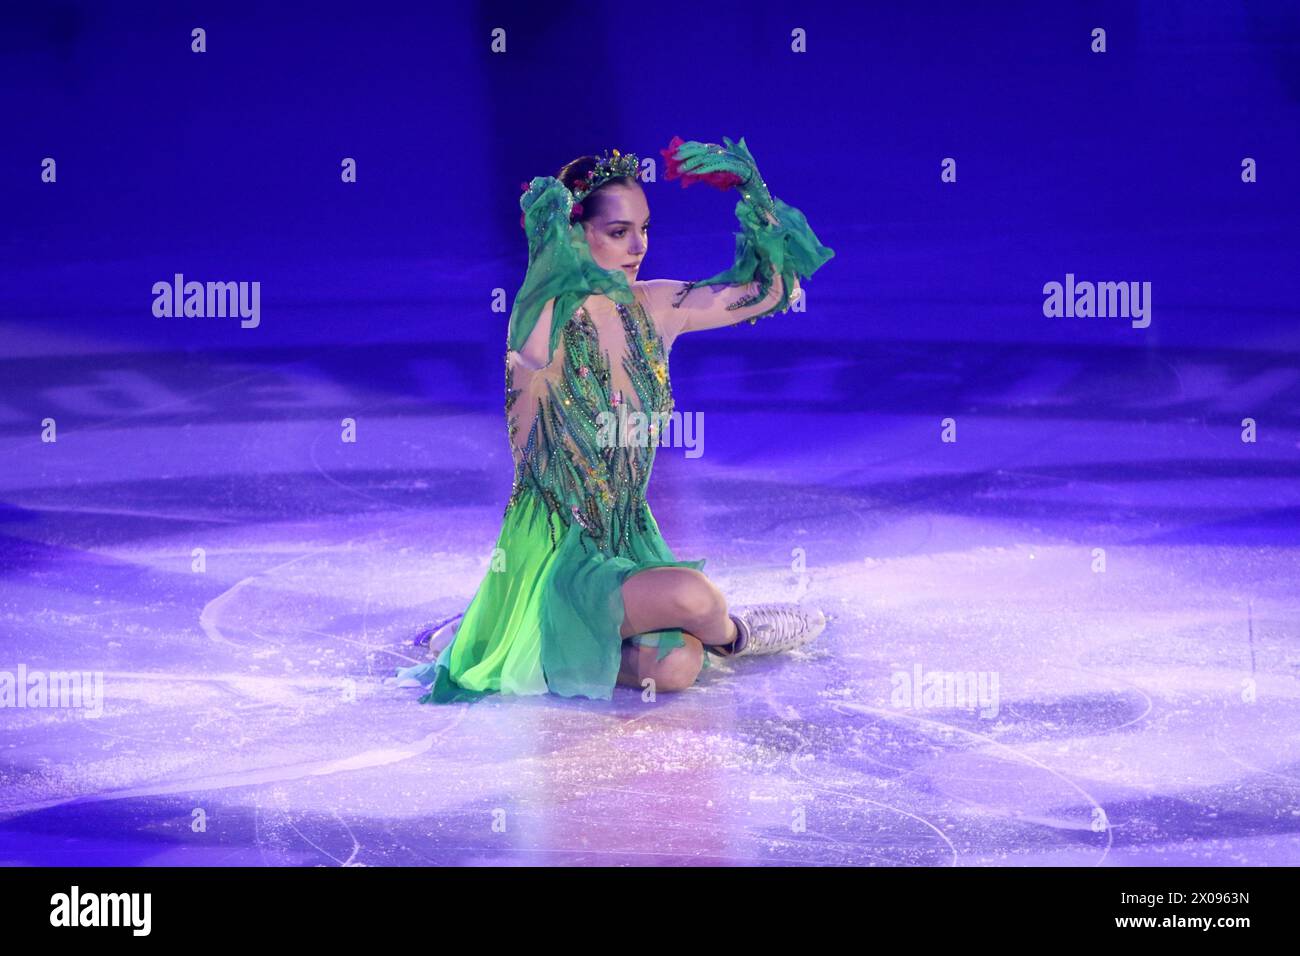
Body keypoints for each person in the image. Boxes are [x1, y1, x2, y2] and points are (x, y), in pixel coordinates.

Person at [394, 136, 835, 704]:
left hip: (626, 542)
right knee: (696, 599)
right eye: (618, 232)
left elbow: (774, 290)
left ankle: (521, 641)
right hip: (554, 555)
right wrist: (548, 250)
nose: (638, 247)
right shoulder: (544, 322)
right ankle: (735, 634)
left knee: (673, 667)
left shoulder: (656, 307)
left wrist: (757, 194)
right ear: (577, 234)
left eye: (644, 229)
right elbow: (530, 346)